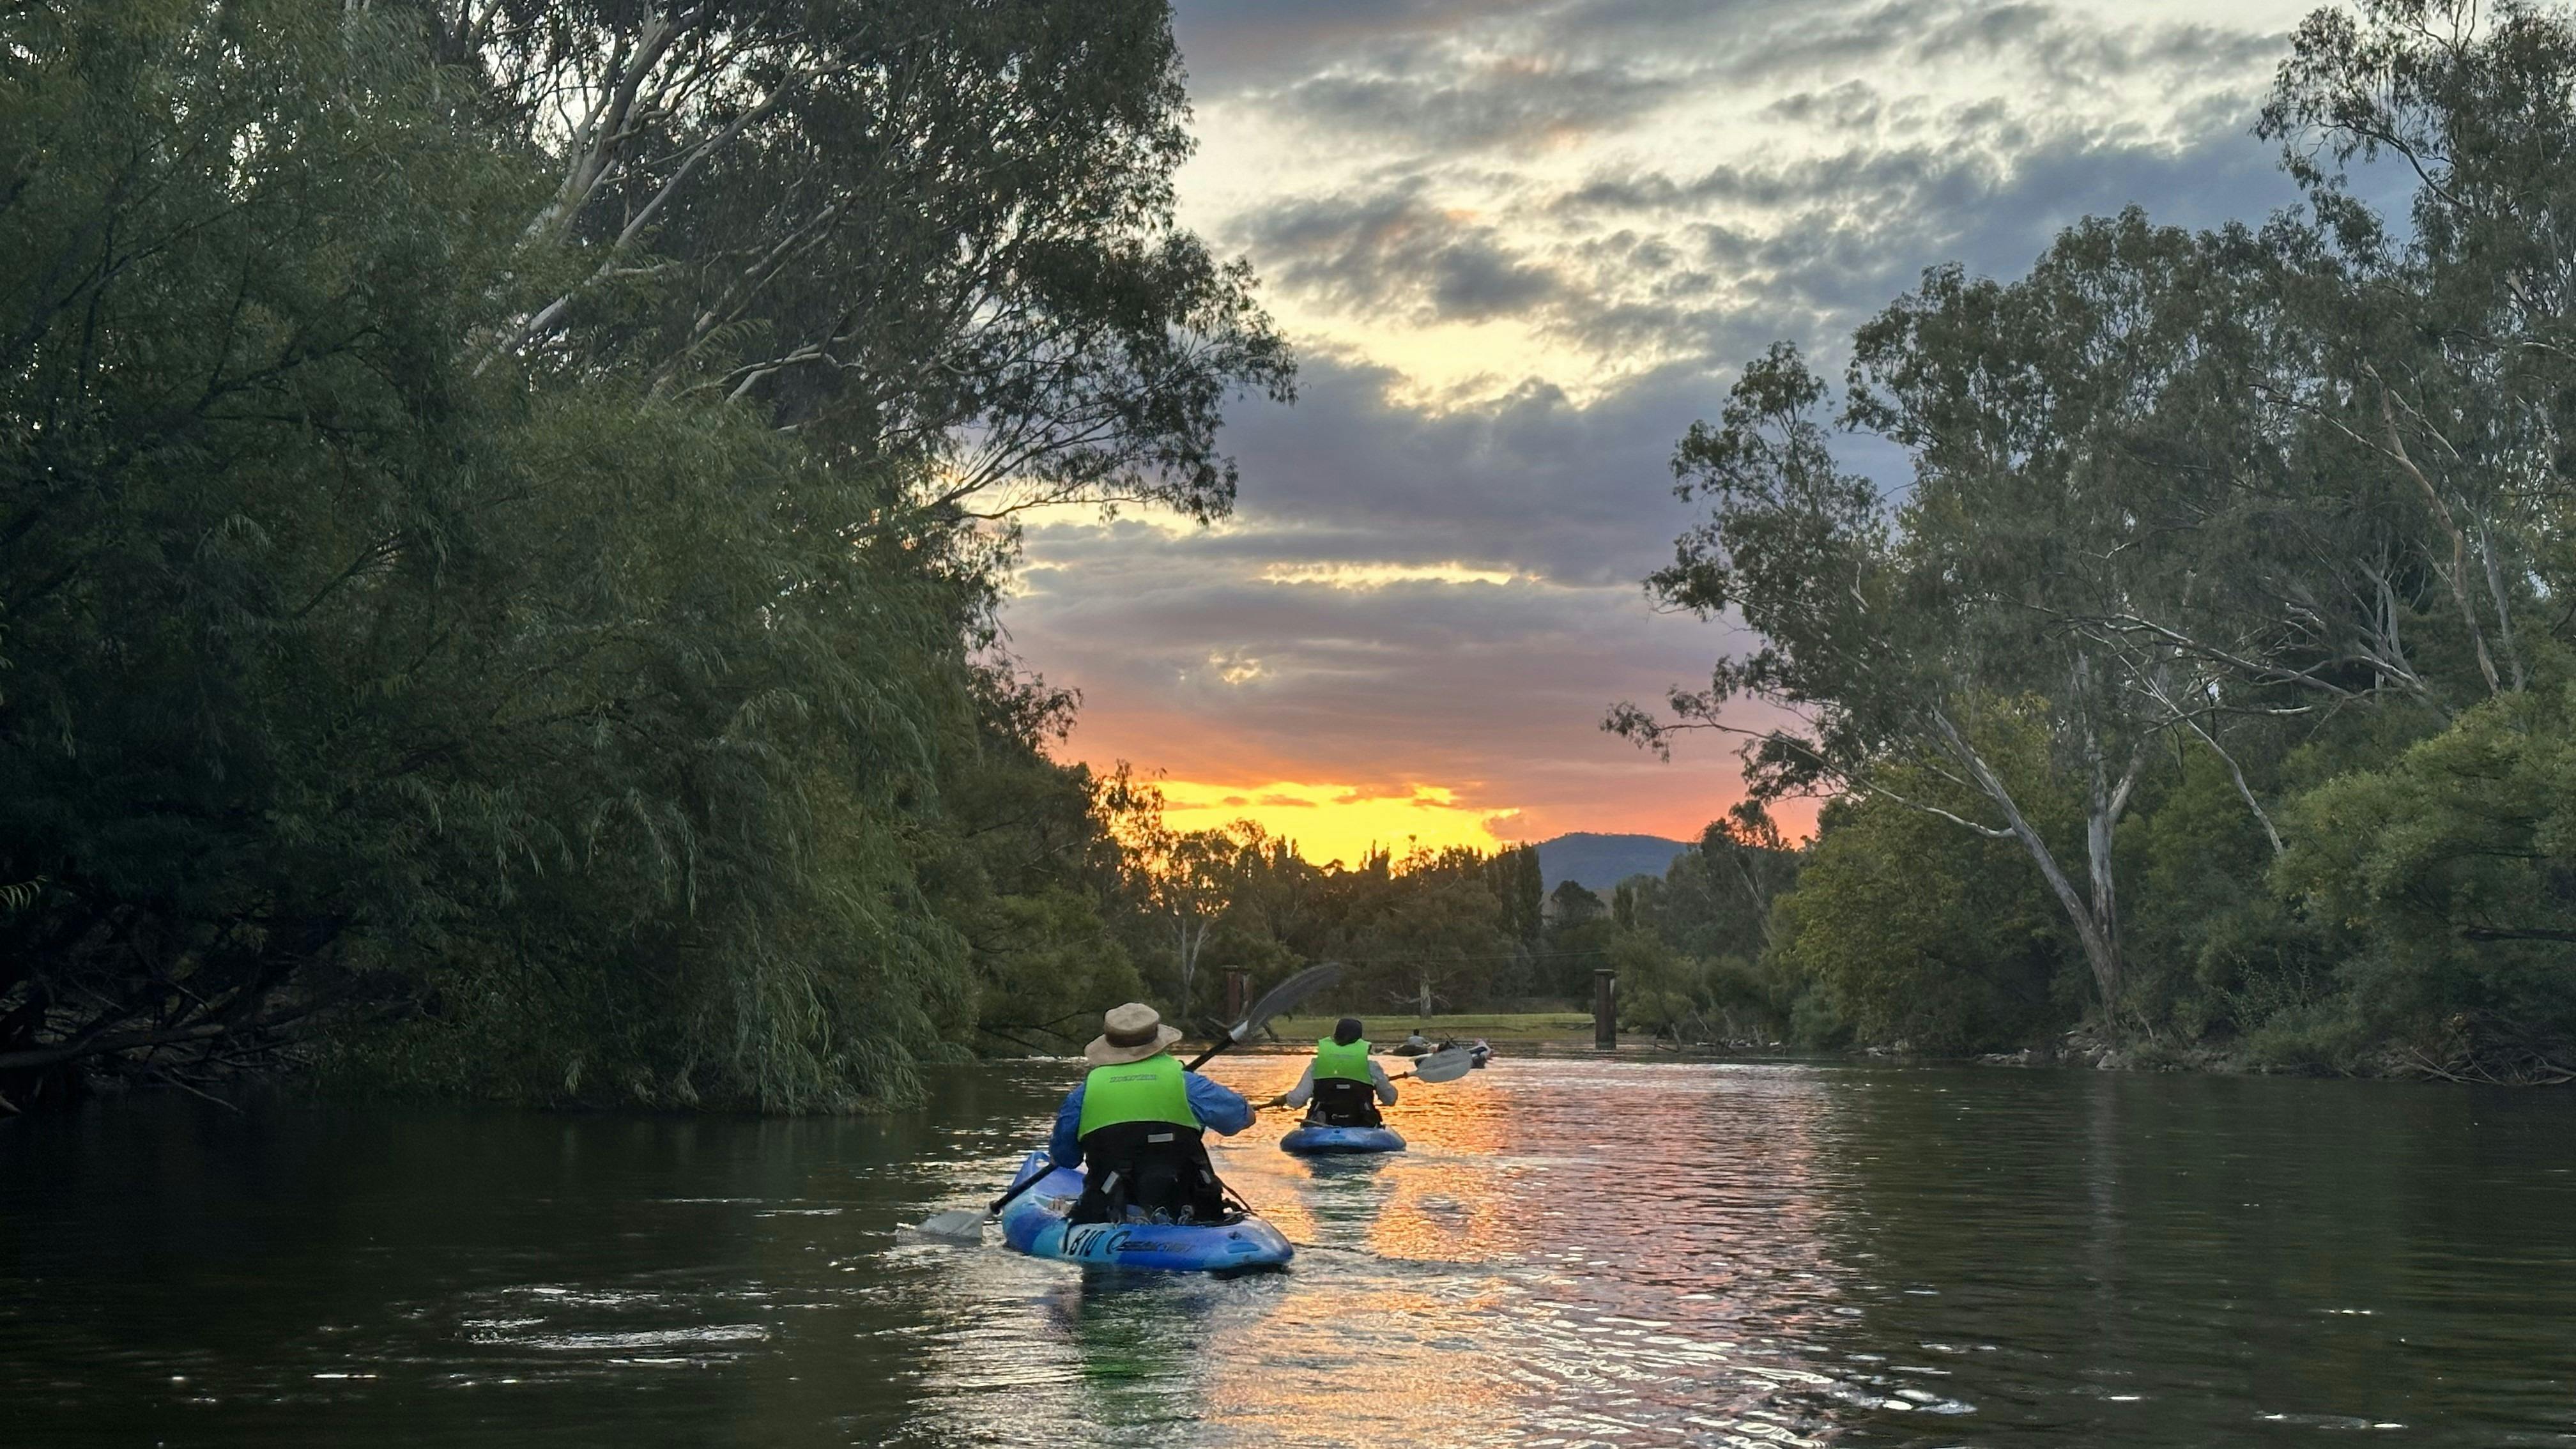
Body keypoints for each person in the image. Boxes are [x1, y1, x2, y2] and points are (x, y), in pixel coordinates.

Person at [1049, 1002, 1253, 1225]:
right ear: (1158, 1043)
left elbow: (1065, 1159)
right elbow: (1242, 1119)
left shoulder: (1082, 1095)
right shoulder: (1188, 1084)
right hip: (1193, 1212)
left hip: (1106, 1213)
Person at [1273, 1017, 1398, 1128]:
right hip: (1361, 1124)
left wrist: (1285, 1099)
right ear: (1359, 1040)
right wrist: (1382, 1081)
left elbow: (1297, 1100)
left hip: (1322, 1124)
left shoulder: (1316, 1065)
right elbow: (1390, 1099)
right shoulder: (1372, 1068)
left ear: (1335, 1037)